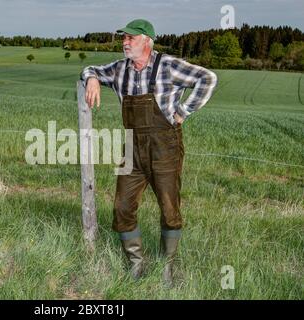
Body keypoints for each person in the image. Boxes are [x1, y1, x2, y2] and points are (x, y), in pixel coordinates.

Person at [80, 19, 218, 286]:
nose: (125, 42)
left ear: (147, 41)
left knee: (169, 209)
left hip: (164, 147)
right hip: (132, 148)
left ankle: (167, 267)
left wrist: (184, 111)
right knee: (122, 207)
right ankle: (136, 265)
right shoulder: (120, 69)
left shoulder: (168, 66)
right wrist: (93, 79)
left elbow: (208, 78)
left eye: (131, 38)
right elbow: (89, 68)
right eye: (124, 38)